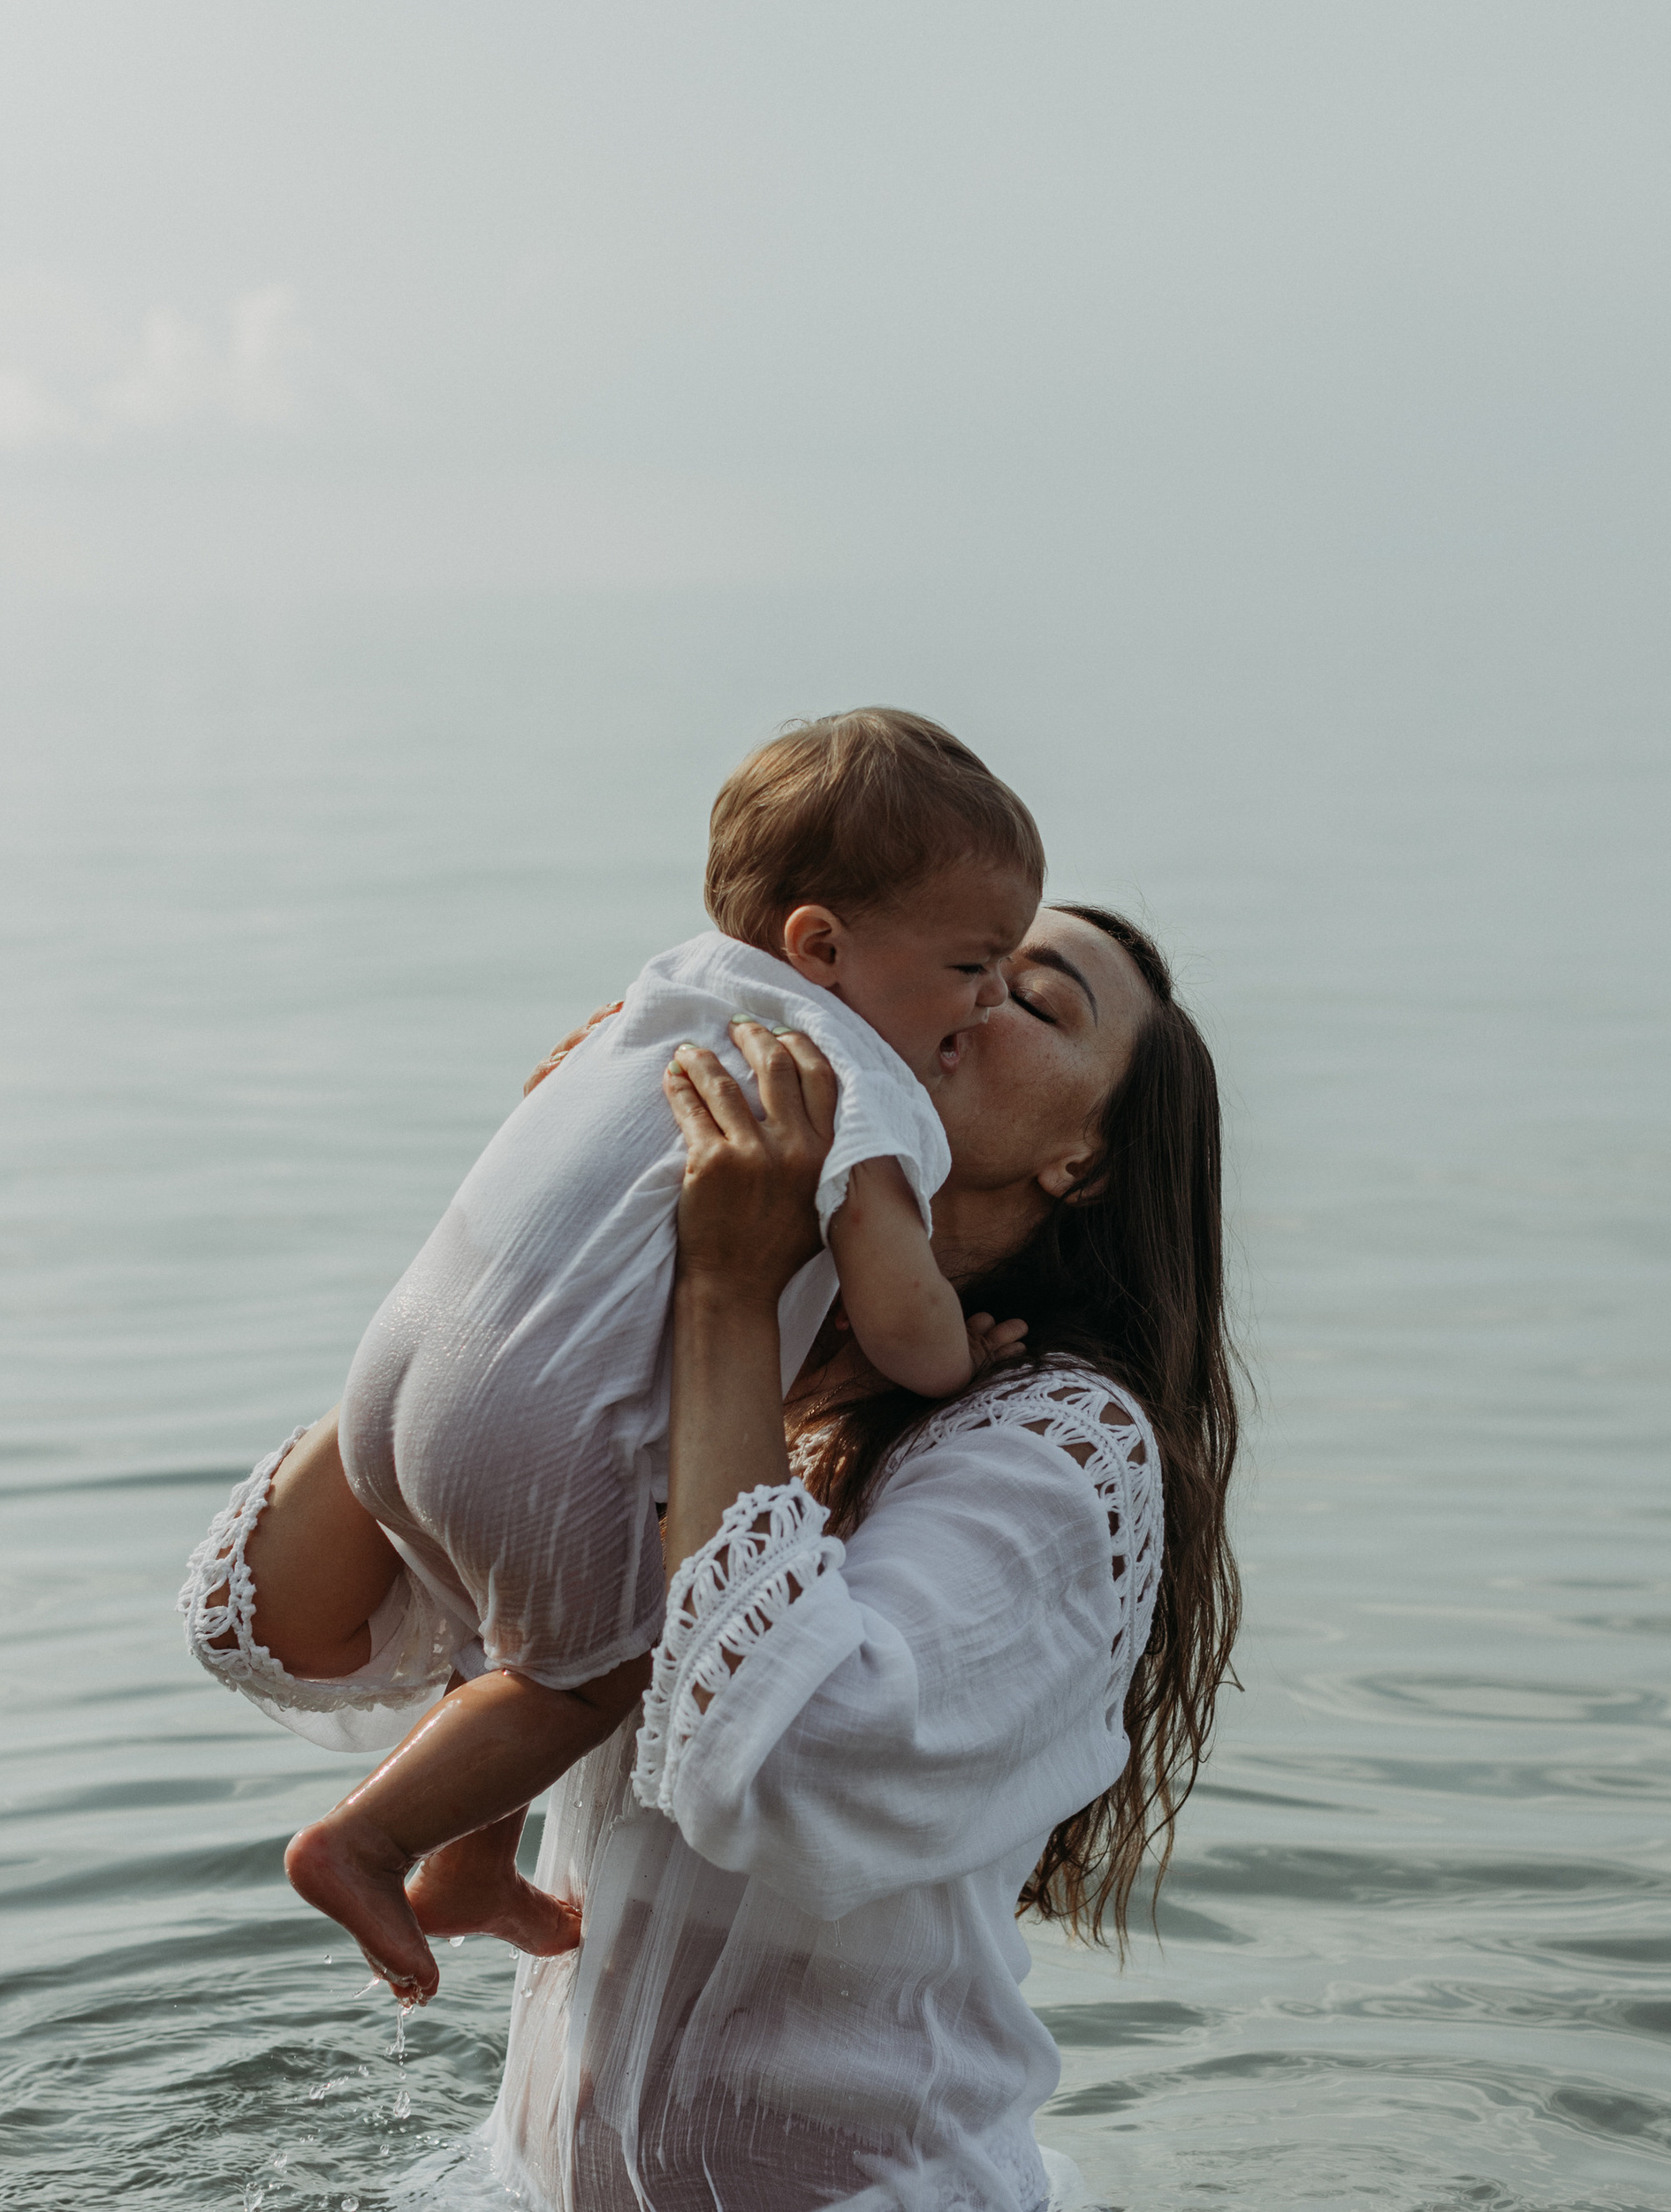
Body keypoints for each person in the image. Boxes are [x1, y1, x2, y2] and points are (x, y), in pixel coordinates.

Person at [182, 902, 1241, 2212]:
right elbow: (282, 1625)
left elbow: (781, 1763)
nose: (963, 1000)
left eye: (1030, 998)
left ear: (1086, 1158)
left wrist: (729, 1298)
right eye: (956, 959)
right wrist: (529, 1243)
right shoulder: (732, 1372)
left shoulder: (1060, 1444)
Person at [185, 709, 1044, 2003]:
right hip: (527, 1427)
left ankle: (471, 1870)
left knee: (512, 1636)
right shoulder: (849, 1077)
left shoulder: (665, 996)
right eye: (977, 966)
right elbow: (908, 1336)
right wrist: (965, 1354)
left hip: (393, 1379)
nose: (985, 1003)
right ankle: (364, 1839)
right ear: (822, 946)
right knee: (586, 1675)